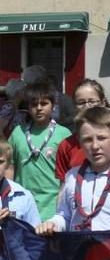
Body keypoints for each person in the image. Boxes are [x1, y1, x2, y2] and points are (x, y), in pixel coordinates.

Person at [36, 106, 110, 235]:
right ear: (79, 142)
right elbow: (65, 216)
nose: (95, 146)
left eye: (101, 138)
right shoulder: (72, 176)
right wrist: (53, 224)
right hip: (80, 252)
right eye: (87, 140)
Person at [8, 82, 72, 220]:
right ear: (28, 107)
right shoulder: (18, 132)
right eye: (34, 104)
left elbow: (69, 172)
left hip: (53, 205)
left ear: (53, 105)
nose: (39, 108)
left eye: (44, 103)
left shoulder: (64, 134)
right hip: (23, 204)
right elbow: (9, 166)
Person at [55, 79, 110, 181]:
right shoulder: (66, 145)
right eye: (81, 102)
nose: (87, 106)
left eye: (92, 101)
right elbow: (64, 185)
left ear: (102, 102)